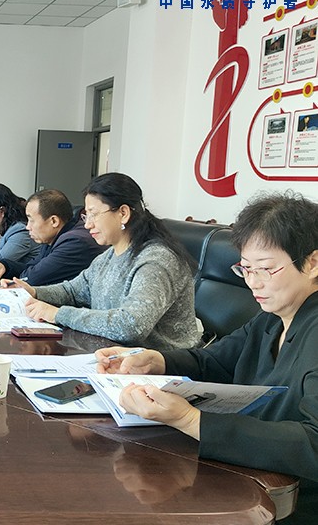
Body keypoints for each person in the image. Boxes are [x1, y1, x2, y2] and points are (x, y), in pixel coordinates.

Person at [94, 192, 318, 523]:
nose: (253, 283)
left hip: (293, 501)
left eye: (266, 269)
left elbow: (313, 443)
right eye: (246, 268)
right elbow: (215, 361)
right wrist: (156, 360)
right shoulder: (272, 317)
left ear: (312, 263)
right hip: (244, 472)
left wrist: (190, 420)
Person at [6, 172, 201, 351]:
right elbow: (73, 291)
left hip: (160, 366)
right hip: (113, 356)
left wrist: (57, 314)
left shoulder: (156, 260)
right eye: (86, 215)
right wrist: (33, 292)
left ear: (123, 213)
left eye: (94, 214)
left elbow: (131, 325)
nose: (87, 224)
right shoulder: (109, 256)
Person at [0, 189, 105, 285]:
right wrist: (5, 266)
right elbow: (33, 266)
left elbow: (33, 278)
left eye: (32, 220)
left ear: (54, 221)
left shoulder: (75, 242)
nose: (28, 227)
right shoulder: (54, 236)